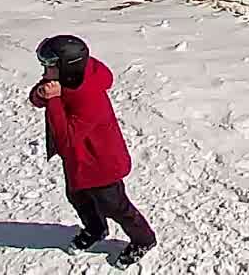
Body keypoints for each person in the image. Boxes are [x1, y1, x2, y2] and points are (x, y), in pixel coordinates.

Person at [31, 36, 156, 267]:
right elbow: (38, 99)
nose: (44, 72)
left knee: (115, 207)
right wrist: (42, 94)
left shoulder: (90, 98)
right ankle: (96, 229)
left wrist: (54, 100)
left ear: (68, 67)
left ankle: (144, 239)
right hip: (78, 161)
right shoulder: (65, 78)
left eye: (49, 66)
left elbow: (66, 140)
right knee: (77, 198)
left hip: (101, 165)